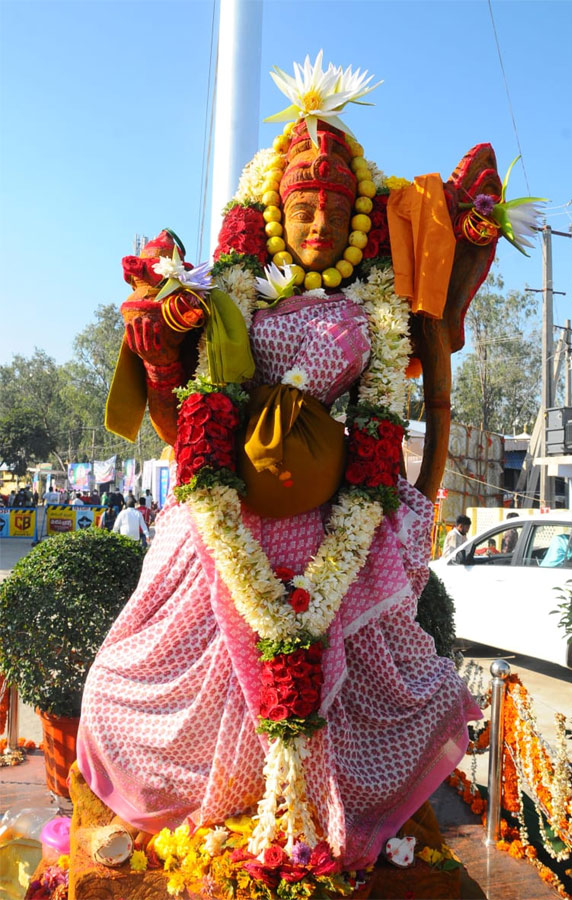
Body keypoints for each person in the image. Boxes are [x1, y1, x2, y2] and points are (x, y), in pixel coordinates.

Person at [77, 53, 535, 883]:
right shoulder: (226, 292)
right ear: (271, 213)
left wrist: (466, 239)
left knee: (383, 682)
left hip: (337, 516)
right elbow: (182, 416)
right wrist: (156, 345)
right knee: (128, 678)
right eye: (301, 206)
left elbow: (419, 371)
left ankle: (325, 818)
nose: (317, 223)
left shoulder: (378, 302)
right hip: (232, 513)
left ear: (355, 214)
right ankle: (216, 817)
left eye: (331, 208)